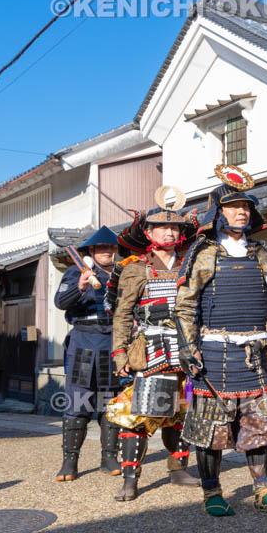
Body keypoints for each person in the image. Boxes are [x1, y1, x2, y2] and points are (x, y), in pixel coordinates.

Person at [173, 165, 267, 517]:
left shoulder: (262, 254)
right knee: (209, 429)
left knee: (261, 425)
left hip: (255, 354)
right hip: (212, 352)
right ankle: (212, 492)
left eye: (246, 206)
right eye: (234, 206)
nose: (242, 211)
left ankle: (264, 490)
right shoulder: (203, 253)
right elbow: (185, 305)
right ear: (218, 212)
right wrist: (188, 349)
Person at [106, 188, 201, 501]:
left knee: (184, 412)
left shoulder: (191, 265)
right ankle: (130, 479)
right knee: (141, 414)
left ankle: (178, 469)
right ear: (148, 233)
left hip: (188, 350)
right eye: (162, 227)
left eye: (175, 227)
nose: (170, 232)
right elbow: (122, 314)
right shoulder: (135, 267)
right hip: (153, 349)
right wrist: (120, 353)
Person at [54, 227, 123, 482]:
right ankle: (69, 461)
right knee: (78, 401)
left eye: (111, 248)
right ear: (91, 250)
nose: (107, 252)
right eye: (102, 248)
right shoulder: (75, 271)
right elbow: (60, 302)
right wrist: (80, 286)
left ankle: (109, 457)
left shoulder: (122, 273)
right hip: (83, 340)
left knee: (110, 401)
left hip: (112, 341)